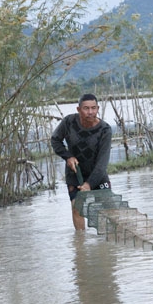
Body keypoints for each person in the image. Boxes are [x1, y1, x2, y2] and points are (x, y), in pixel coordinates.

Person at [51, 93, 112, 230]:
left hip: (97, 175)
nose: (90, 112)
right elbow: (55, 140)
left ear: (98, 108)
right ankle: (81, 242)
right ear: (78, 109)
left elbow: (102, 164)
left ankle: (104, 248)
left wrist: (89, 184)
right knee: (76, 208)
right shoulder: (68, 122)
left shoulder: (105, 130)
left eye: (93, 108)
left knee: (107, 211)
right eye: (86, 108)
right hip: (75, 173)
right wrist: (67, 156)